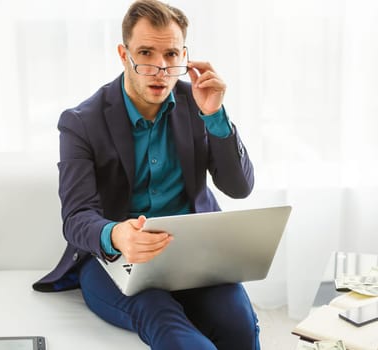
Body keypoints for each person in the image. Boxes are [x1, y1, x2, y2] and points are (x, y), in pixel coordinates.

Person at [33, 0, 257, 349]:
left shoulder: (197, 102)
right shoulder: (81, 122)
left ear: (185, 55)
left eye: (170, 55)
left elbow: (239, 187)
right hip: (114, 261)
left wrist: (215, 117)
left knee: (240, 324)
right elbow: (76, 218)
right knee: (169, 326)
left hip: (194, 255)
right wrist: (116, 235)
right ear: (124, 55)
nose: (159, 68)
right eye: (146, 53)